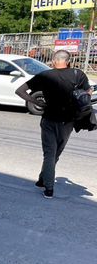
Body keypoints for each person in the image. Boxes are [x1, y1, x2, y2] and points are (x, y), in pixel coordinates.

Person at [15, 50, 91, 199]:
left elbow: (20, 91)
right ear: (68, 61)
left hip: (49, 119)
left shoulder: (45, 76)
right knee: (55, 154)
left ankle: (47, 186)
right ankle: (43, 181)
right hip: (68, 121)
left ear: (54, 61)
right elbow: (88, 91)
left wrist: (35, 101)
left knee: (49, 154)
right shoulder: (78, 74)